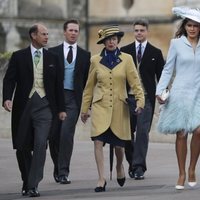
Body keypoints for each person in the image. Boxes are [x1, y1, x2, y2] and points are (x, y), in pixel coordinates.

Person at [2, 23, 66, 197]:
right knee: (22, 147)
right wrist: (7, 98)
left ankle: (33, 184)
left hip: (45, 107)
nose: (47, 37)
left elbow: (58, 86)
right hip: (24, 106)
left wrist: (61, 109)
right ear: (33, 36)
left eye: (47, 34)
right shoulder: (18, 56)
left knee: (40, 145)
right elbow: (9, 80)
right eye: (43, 34)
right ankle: (27, 180)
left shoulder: (53, 58)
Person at [80, 25, 145, 192]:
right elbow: (89, 87)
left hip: (119, 107)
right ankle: (101, 178)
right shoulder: (95, 60)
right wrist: (84, 109)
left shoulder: (127, 59)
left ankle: (119, 166)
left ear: (118, 41)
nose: (111, 42)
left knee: (118, 146)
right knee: (98, 142)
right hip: (100, 106)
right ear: (104, 42)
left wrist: (140, 102)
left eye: (114, 39)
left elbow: (135, 83)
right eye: (108, 39)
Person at [156, 7, 200, 190]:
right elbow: (168, 69)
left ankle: (192, 169)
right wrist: (160, 90)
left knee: (198, 131)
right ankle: (181, 173)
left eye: (195, 26)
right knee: (181, 133)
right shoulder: (176, 43)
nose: (192, 29)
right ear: (185, 26)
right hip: (180, 93)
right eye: (189, 25)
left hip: (199, 92)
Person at [121, 19, 164, 180]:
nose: (139, 33)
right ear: (134, 32)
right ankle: (132, 161)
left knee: (142, 133)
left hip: (146, 99)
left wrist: (164, 95)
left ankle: (139, 167)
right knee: (126, 134)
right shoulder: (124, 51)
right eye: (136, 30)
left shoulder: (155, 52)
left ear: (147, 32)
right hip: (127, 99)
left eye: (142, 30)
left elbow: (162, 77)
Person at [49, 19, 91, 184]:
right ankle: (58, 168)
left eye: (76, 31)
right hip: (55, 99)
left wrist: (86, 106)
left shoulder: (84, 55)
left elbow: (87, 82)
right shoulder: (52, 52)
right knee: (53, 136)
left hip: (73, 99)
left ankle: (63, 172)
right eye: (71, 30)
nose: (74, 33)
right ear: (64, 32)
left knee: (66, 134)